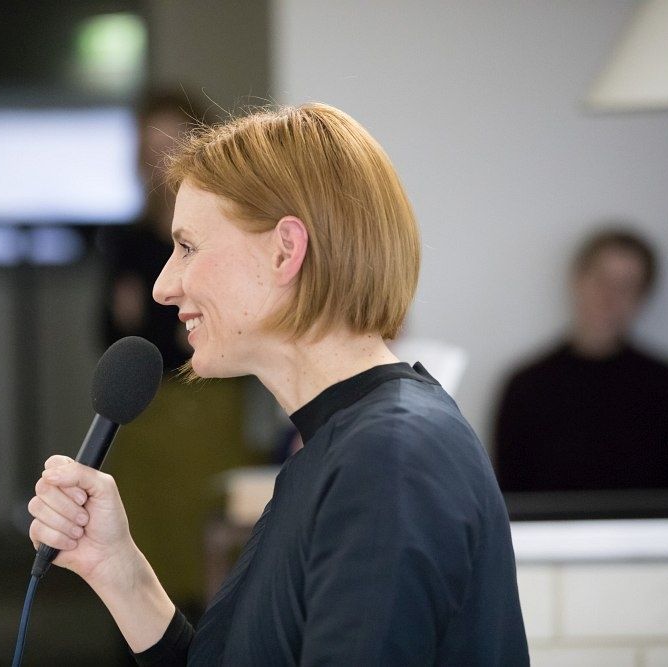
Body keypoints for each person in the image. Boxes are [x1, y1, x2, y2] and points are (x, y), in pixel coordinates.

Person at [28, 103, 528, 664]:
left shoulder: (388, 457)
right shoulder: (341, 445)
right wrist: (119, 570)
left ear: (285, 251)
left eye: (188, 247)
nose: (163, 286)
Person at [98, 91, 259, 613]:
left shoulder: (230, 229)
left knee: (212, 547)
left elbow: (219, 325)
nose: (163, 160)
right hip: (150, 407)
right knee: (145, 545)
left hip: (210, 402)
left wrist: (160, 326)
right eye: (152, 149)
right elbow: (117, 334)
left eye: (174, 143)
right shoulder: (129, 239)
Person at [494, 229, 668, 492]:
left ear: (643, 296)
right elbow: (509, 493)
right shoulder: (526, 386)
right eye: (601, 280)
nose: (609, 297)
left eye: (626, 286)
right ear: (577, 280)